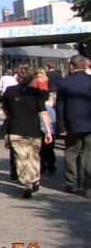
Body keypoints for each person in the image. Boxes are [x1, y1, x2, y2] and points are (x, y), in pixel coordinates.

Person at [2, 65, 52, 198]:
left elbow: (5, 111)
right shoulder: (36, 93)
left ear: (18, 76)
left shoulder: (9, 91)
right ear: (31, 78)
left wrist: (13, 116)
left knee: (21, 158)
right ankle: (35, 180)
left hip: (16, 130)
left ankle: (27, 184)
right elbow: (44, 113)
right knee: (34, 157)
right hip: (34, 130)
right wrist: (48, 132)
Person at [55, 54, 91, 197]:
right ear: (85, 66)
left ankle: (72, 184)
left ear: (71, 65)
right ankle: (89, 188)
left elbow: (60, 107)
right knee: (89, 155)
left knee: (71, 154)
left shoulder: (64, 83)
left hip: (71, 125)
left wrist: (61, 127)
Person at [35, 68, 57, 175]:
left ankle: (42, 168)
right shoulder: (50, 108)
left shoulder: (36, 108)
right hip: (50, 132)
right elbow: (54, 120)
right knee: (50, 151)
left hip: (39, 131)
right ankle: (51, 166)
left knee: (41, 152)